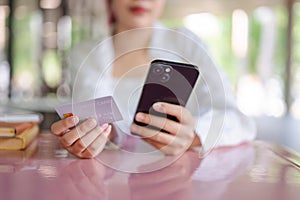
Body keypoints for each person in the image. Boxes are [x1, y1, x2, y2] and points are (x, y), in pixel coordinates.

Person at [51, 0, 256, 158]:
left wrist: (194, 135)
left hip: (180, 178)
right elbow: (91, 119)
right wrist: (89, 136)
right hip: (108, 182)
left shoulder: (188, 44)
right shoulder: (84, 53)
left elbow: (238, 120)